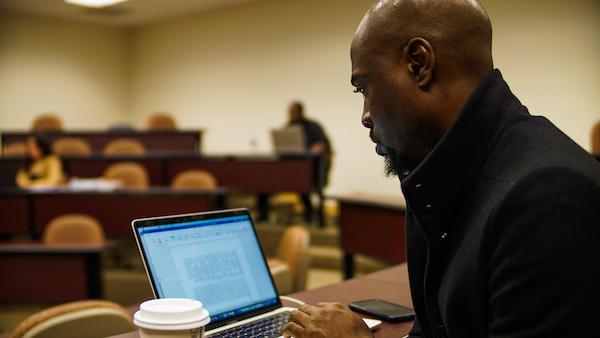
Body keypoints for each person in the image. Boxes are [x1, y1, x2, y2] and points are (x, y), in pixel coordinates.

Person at [283, 0, 600, 337]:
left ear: (419, 64)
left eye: (364, 88)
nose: (365, 116)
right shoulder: (441, 176)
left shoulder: (547, 196)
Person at [258, 101, 332, 224]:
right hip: (290, 170)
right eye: (290, 112)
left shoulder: (313, 126)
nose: (291, 115)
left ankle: (310, 216)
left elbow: (323, 144)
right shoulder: (287, 127)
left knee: (305, 190)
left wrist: (314, 149)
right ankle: (263, 216)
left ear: (300, 112)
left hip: (311, 170)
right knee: (263, 184)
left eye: (293, 112)